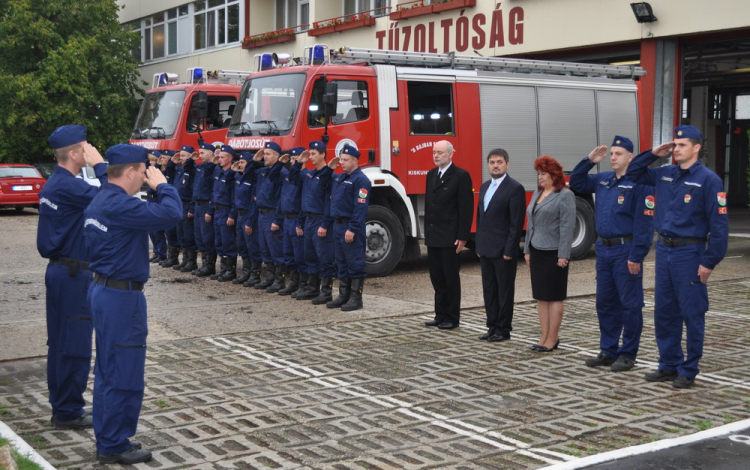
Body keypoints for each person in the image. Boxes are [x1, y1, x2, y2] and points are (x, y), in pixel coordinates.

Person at [84, 143, 181, 464]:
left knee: (108, 369)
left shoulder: (104, 198)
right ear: (129, 171)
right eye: (142, 171)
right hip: (121, 298)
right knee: (123, 370)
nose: (145, 176)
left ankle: (107, 436)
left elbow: (106, 177)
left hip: (104, 291)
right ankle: (113, 444)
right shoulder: (122, 206)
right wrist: (163, 185)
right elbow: (171, 214)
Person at [626, 125, 729, 389]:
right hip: (664, 250)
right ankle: (668, 364)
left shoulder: (708, 180)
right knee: (665, 311)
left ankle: (689, 369)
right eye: (675, 145)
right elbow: (634, 173)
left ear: (696, 148)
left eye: (682, 145)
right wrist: (653, 153)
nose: (676, 149)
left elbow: (719, 226)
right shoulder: (665, 173)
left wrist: (709, 261)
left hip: (690, 252)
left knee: (692, 312)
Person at [37, 125, 105, 430]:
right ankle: (67, 411)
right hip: (73, 273)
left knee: (62, 341)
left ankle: (64, 406)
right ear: (75, 153)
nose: (89, 149)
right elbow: (112, 197)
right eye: (85, 146)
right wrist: (101, 165)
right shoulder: (69, 186)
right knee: (73, 344)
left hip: (62, 270)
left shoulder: (58, 182)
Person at [570, 136, 654, 372]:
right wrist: (589, 160)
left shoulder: (640, 183)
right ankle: (608, 350)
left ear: (630, 157)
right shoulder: (604, 179)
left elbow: (645, 224)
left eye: (619, 154)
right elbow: (576, 182)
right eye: (612, 154)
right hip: (604, 250)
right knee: (605, 303)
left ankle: (628, 354)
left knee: (630, 304)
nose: (613, 157)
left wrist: (637, 255)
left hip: (625, 250)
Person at [524, 155, 576, 353]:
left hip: (555, 253)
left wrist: (564, 254)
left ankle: (553, 338)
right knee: (541, 297)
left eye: (543, 174)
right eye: (538, 174)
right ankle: (543, 336)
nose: (540, 178)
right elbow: (531, 225)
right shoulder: (538, 194)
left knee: (554, 296)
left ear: (554, 175)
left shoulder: (564, 194)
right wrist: (527, 250)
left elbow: (567, 226)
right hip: (537, 250)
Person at [475, 149, 526, 342]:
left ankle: (503, 329)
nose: (495, 165)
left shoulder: (514, 188)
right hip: (486, 249)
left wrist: (510, 249)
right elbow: (480, 219)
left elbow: (516, 223)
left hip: (503, 250)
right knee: (489, 289)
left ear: (507, 164)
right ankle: (492, 326)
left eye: (499, 162)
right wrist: (478, 246)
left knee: (504, 291)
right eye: (492, 162)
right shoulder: (485, 186)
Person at [424, 140, 474, 330]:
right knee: (437, 277)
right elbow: (430, 206)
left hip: (450, 236)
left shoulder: (460, 176)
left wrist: (463, 236)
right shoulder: (431, 175)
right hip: (434, 235)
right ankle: (440, 314)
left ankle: (452, 317)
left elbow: (465, 207)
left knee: (450, 278)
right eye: (434, 152)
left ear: (451, 154)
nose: (436, 156)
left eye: (440, 153)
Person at [289, 141, 336, 303]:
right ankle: (312, 289)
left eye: (314, 153)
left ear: (323, 154)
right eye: (310, 153)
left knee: (324, 257)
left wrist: (325, 223)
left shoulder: (328, 175)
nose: (311, 157)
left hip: (320, 220)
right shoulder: (309, 174)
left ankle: (326, 292)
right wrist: (300, 162)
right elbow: (293, 179)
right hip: (308, 220)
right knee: (310, 256)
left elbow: (329, 202)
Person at [327, 146, 371, 311]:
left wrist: (352, 228)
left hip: (350, 226)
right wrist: (329, 168)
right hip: (338, 225)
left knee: (355, 263)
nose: (342, 163)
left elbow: (360, 207)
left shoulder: (361, 180)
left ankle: (356, 298)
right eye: (341, 160)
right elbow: (325, 182)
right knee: (342, 263)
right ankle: (344, 295)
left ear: (355, 160)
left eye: (345, 160)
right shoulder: (340, 178)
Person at [253, 142, 285, 290]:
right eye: (264, 154)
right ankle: (270, 278)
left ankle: (279, 280)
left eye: (268, 154)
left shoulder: (281, 173)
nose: (265, 156)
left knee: (275, 248)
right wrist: (254, 161)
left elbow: (280, 199)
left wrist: (278, 219)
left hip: (272, 214)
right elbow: (247, 175)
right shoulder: (263, 171)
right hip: (262, 214)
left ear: (277, 156)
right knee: (264, 247)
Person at [231, 151, 265, 286]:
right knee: (243, 246)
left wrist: (250, 221)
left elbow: (253, 203)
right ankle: (246, 273)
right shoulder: (240, 178)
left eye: (243, 162)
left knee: (252, 246)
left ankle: (255, 275)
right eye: (238, 162)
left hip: (249, 215)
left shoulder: (253, 179)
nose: (239, 165)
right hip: (240, 215)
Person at [277, 147, 308, 295]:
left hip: (297, 219)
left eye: (296, 160)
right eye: (292, 160)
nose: (293, 163)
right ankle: (294, 283)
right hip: (287, 219)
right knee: (289, 254)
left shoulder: (304, 177)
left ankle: (304, 284)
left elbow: (304, 202)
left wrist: (300, 222)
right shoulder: (288, 177)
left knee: (299, 254)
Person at [210, 145, 238, 281]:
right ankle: (223, 269)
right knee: (219, 242)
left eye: (222, 157)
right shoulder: (219, 173)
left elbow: (234, 197)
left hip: (226, 210)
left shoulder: (232, 175)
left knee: (228, 242)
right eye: (219, 157)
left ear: (230, 158)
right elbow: (214, 193)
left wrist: (232, 214)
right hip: (217, 210)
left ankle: (231, 271)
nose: (219, 159)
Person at [190, 143, 218, 277]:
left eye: (202, 153)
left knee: (208, 237)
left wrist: (210, 210)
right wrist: (191, 159)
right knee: (199, 237)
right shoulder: (200, 167)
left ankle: (210, 266)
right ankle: (204, 264)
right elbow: (194, 187)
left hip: (207, 205)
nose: (200, 156)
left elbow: (213, 190)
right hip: (198, 204)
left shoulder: (213, 169)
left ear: (211, 153)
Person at [146, 152, 168, 264]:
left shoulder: (161, 173)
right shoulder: (151, 172)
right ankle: (156, 251)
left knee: (158, 230)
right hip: (150, 200)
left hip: (157, 200)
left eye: (153, 160)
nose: (151, 163)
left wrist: (158, 166)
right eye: (150, 160)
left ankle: (162, 253)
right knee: (151, 230)